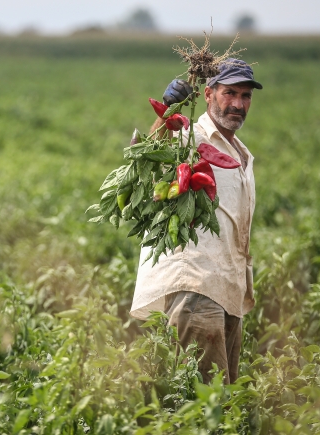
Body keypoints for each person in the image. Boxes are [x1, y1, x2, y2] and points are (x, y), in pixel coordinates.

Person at [130, 59, 262, 384]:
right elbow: (147, 151)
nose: (238, 104)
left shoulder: (239, 151)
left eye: (245, 96)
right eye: (229, 93)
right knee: (205, 401)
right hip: (196, 287)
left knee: (223, 397)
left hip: (229, 286)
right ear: (208, 94)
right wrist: (166, 112)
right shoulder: (190, 134)